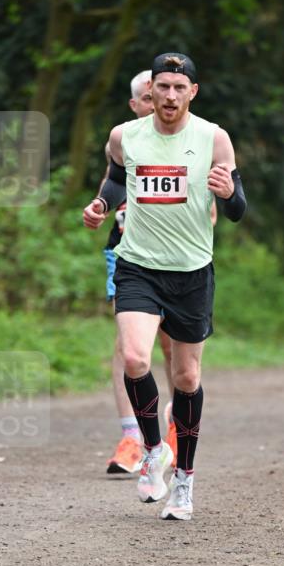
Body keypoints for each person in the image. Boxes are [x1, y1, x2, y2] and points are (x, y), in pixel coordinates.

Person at [83, 52, 246, 520]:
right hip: (138, 265)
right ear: (149, 91)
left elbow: (238, 208)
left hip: (191, 271)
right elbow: (116, 181)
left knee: (186, 378)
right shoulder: (125, 136)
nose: (170, 95)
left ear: (192, 92)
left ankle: (185, 482)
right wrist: (100, 205)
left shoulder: (213, 138)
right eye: (163, 86)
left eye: (179, 87)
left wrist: (228, 194)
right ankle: (154, 451)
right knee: (135, 357)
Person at [99, 70, 177, 474]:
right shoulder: (124, 139)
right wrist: (99, 207)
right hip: (125, 251)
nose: (157, 102)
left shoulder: (189, 140)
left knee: (171, 344)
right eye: (147, 98)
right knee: (127, 346)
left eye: (160, 94)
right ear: (135, 104)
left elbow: (210, 212)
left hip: (174, 257)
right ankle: (132, 437)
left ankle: (177, 427)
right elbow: (109, 186)